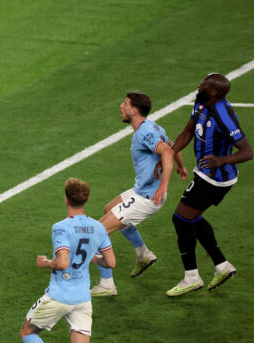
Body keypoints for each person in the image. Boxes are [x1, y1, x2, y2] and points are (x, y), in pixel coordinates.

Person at [90, 92, 187, 297]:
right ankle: (143, 254)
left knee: (99, 230)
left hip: (148, 197)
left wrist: (164, 185)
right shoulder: (153, 127)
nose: (120, 106)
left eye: (124, 104)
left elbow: (167, 151)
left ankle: (107, 284)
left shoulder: (144, 133)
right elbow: (173, 145)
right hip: (141, 190)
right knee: (109, 209)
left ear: (134, 110)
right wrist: (182, 166)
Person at [165, 73, 252, 296]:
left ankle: (191, 278)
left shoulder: (224, 116)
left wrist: (221, 159)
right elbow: (187, 132)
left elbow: (247, 151)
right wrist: (169, 154)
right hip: (204, 174)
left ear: (214, 91)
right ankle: (222, 267)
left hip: (216, 178)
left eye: (205, 83)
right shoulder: (201, 102)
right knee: (192, 218)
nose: (200, 84)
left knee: (181, 219)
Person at [20, 178, 115, 343]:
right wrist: (92, 259)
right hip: (83, 299)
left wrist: (46, 263)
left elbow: (63, 263)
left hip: (59, 296)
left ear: (66, 200)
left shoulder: (61, 227)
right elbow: (110, 262)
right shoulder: (98, 227)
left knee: (27, 333)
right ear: (86, 199)